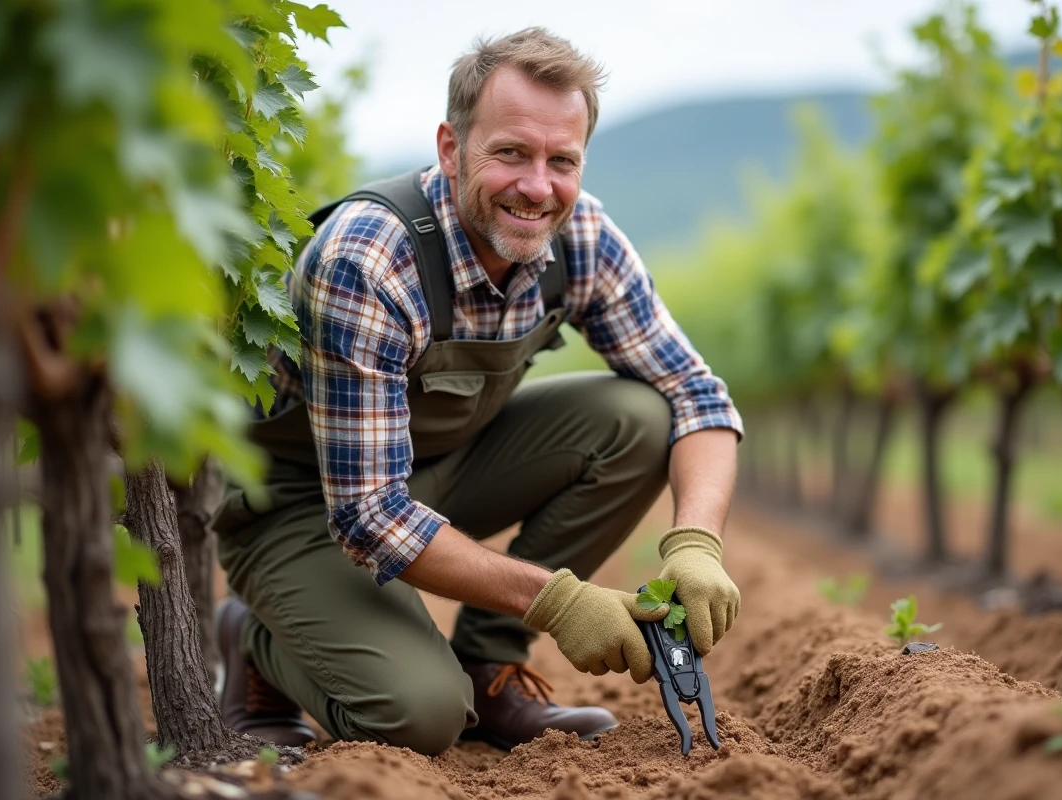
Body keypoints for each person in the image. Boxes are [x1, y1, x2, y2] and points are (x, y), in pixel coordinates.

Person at [212, 26, 743, 755]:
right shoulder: (367, 260)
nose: (539, 185)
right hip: (304, 508)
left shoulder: (582, 235)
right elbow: (368, 513)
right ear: (450, 148)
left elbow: (696, 394)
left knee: (640, 416)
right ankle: (256, 641)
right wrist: (557, 602)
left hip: (433, 475)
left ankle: (490, 662)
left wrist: (697, 545)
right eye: (511, 153)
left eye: (563, 160)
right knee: (418, 717)